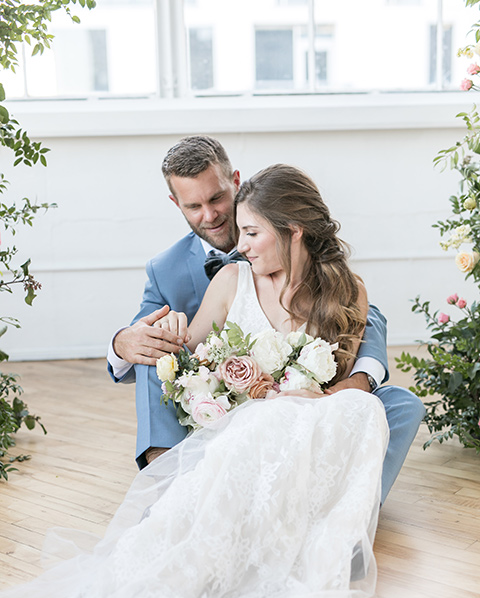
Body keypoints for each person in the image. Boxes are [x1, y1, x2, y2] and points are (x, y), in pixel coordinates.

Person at [0, 164, 391, 598]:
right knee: (253, 434)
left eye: (251, 232)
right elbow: (187, 351)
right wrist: (143, 340)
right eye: (240, 232)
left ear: (293, 231)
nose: (241, 244)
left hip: (307, 428)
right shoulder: (231, 280)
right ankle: (175, 592)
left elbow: (348, 374)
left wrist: (309, 397)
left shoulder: (346, 291)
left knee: (359, 408)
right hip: (244, 424)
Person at [107, 135, 424, 505]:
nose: (209, 216)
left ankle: (351, 506)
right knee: (155, 350)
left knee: (397, 403)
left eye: (216, 199)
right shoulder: (171, 270)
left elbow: (367, 318)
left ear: (235, 182)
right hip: (232, 406)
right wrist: (122, 342)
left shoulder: (330, 274)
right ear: (176, 203)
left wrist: (346, 386)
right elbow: (152, 336)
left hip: (311, 403)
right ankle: (168, 486)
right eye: (194, 206)